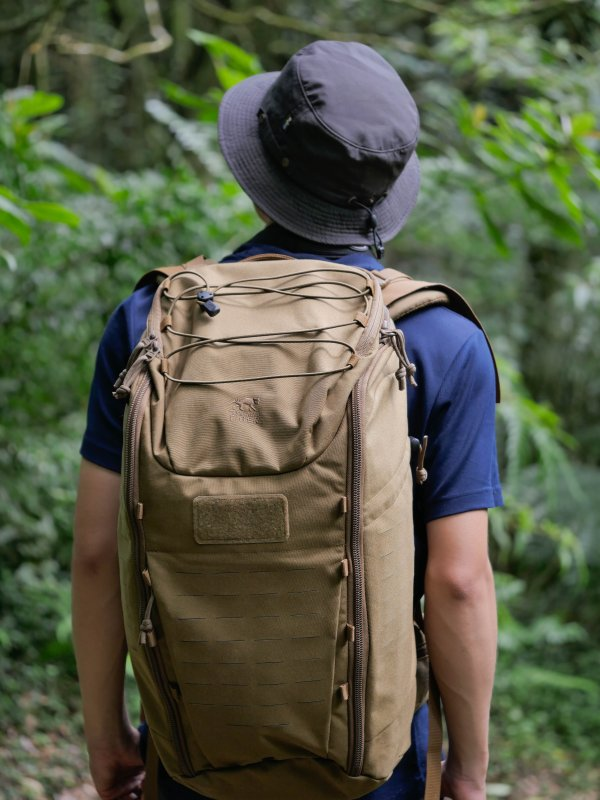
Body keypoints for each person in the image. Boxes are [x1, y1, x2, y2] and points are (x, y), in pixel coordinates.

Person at [72, 40, 500, 800]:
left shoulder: (149, 322)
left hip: (192, 755)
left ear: (260, 177)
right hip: (373, 770)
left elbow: (100, 554)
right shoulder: (440, 339)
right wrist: (467, 768)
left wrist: (107, 737)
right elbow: (459, 582)